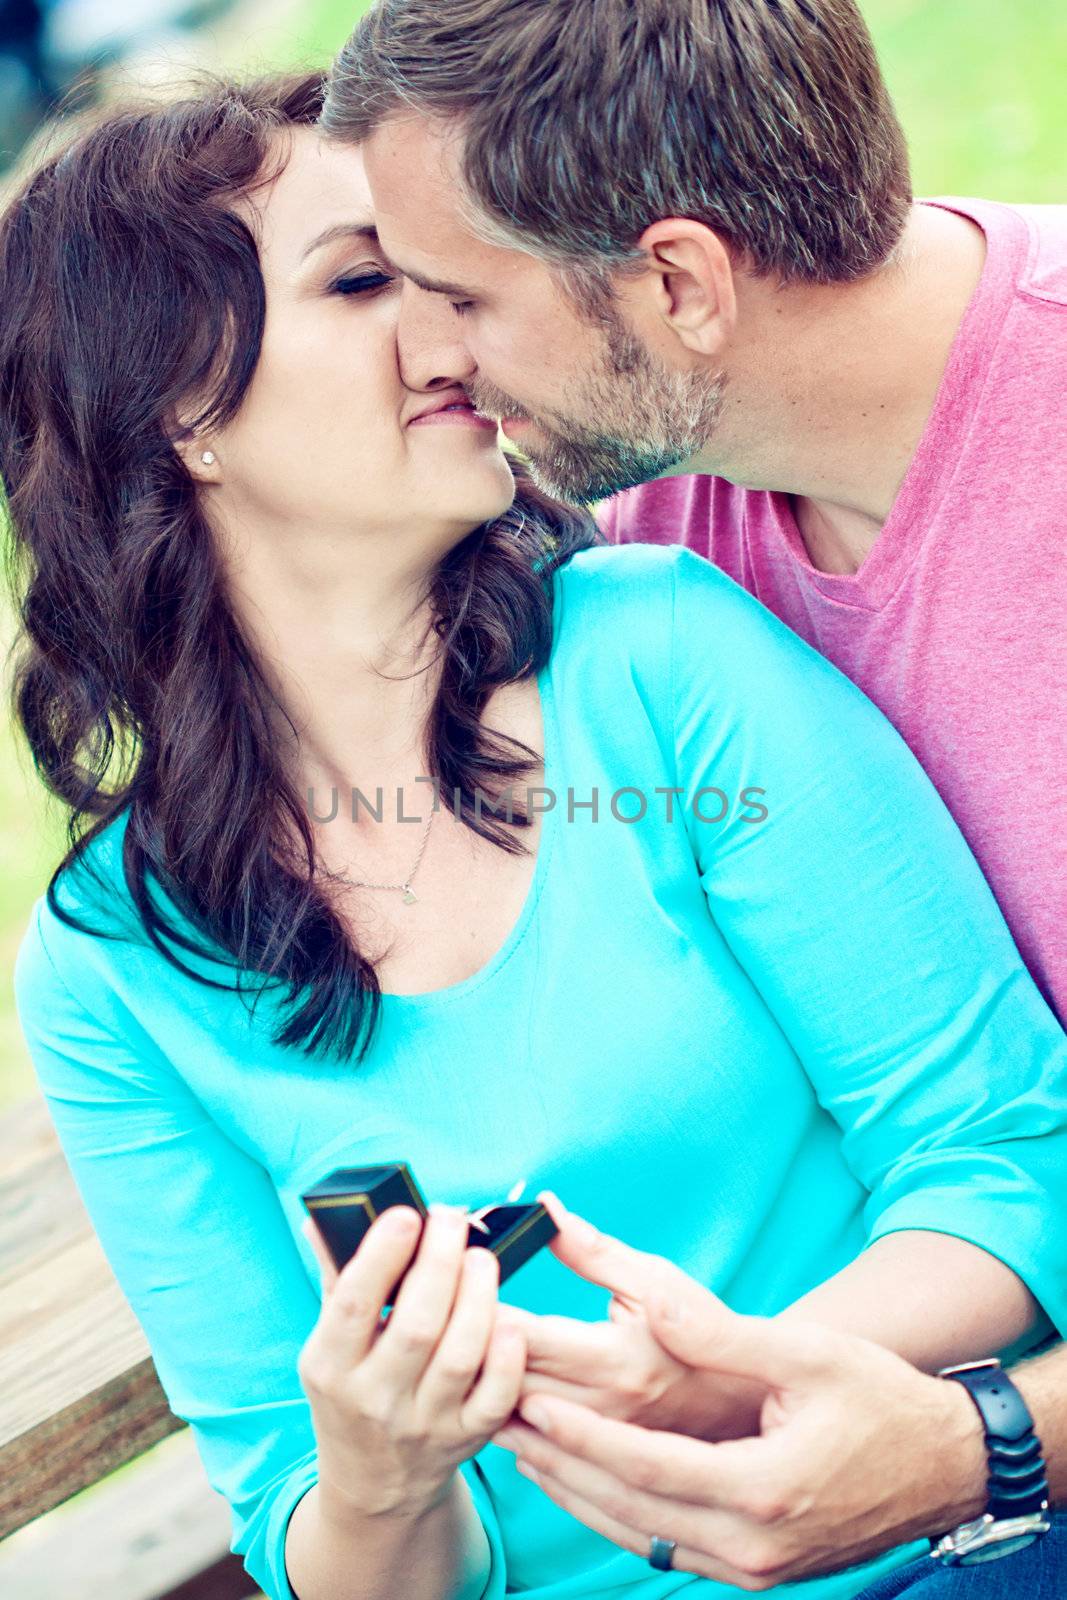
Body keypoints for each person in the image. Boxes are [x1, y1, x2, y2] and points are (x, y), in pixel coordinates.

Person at [5, 67, 1067, 1600]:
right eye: (365, 282)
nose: (446, 335)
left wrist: (735, 1374)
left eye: (442, 280)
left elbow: (1005, 1158)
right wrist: (377, 1474)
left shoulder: (657, 657)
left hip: (920, 1553)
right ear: (179, 411)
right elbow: (300, 1522)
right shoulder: (109, 970)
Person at [320, 0, 1067, 1587]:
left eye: (457, 295)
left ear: (678, 284)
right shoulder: (650, 527)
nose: (428, 358)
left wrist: (980, 1441)